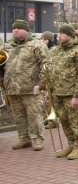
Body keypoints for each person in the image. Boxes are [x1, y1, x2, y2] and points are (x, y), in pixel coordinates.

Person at [43, 24, 78, 159]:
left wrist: (77, 95)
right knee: (64, 120)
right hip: (58, 93)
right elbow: (51, 72)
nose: (59, 35)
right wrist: (48, 91)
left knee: (74, 121)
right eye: (58, 33)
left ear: (70, 35)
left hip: (71, 94)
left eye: (62, 33)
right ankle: (70, 143)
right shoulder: (55, 51)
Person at [1, 19, 49, 151]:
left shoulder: (37, 45)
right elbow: (2, 66)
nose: (15, 30)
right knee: (18, 114)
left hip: (31, 88)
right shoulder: (7, 46)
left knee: (34, 114)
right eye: (13, 28)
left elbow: (46, 64)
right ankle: (24, 138)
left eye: (18, 28)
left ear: (26, 30)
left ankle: (37, 139)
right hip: (12, 88)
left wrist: (42, 84)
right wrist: (3, 83)